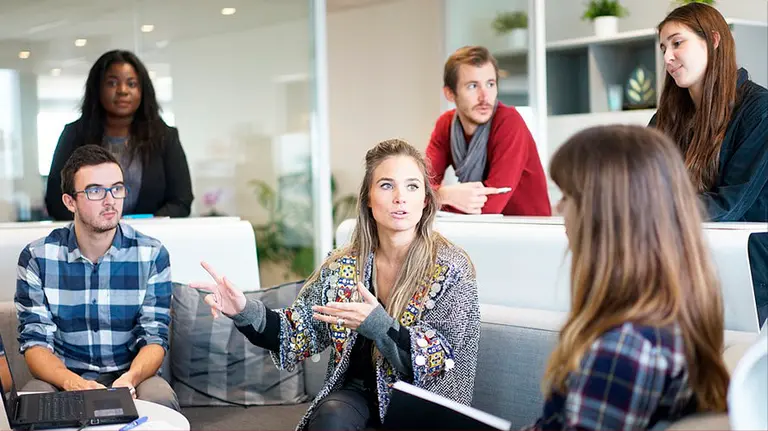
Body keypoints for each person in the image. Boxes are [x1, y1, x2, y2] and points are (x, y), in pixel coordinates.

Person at [191, 139, 480, 430]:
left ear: (426, 200)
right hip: (357, 398)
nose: (400, 197)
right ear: (368, 198)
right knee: (331, 416)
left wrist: (378, 325)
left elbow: (440, 360)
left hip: (421, 405)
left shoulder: (451, 268)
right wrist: (242, 309)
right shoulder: (344, 265)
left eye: (412, 186)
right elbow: (297, 332)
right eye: (386, 185)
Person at [526, 125, 729, 430]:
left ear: (604, 215)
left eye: (568, 196)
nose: (559, 208)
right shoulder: (668, 318)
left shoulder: (624, 348)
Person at [16, 145, 179, 411]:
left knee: (160, 399)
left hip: (131, 376)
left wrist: (130, 379)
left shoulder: (151, 254)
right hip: (64, 377)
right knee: (30, 401)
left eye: (117, 188)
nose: (110, 200)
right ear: (70, 201)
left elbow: (155, 338)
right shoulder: (37, 257)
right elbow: (35, 344)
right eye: (95, 191)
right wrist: (73, 383)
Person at [650, 3, 768, 324]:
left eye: (677, 43)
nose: (667, 58)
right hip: (684, 262)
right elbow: (641, 184)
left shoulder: (759, 111)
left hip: (747, 270)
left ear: (713, 40)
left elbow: (729, 205)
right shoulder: (666, 117)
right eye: (663, 48)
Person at [45, 49, 193, 220]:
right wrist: (98, 226)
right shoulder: (74, 135)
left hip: (150, 239)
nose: (123, 91)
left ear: (143, 91)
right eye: (112, 83)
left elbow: (181, 201)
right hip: (89, 240)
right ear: (97, 89)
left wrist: (145, 228)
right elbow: (56, 201)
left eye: (131, 84)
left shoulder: (165, 137)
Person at [425, 46, 551, 216]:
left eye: (490, 84)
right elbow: (418, 188)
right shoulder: (445, 125)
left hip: (528, 233)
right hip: (482, 231)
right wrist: (443, 195)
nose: (485, 97)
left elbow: (490, 206)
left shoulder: (509, 122)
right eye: (472, 86)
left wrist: (436, 198)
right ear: (450, 94)